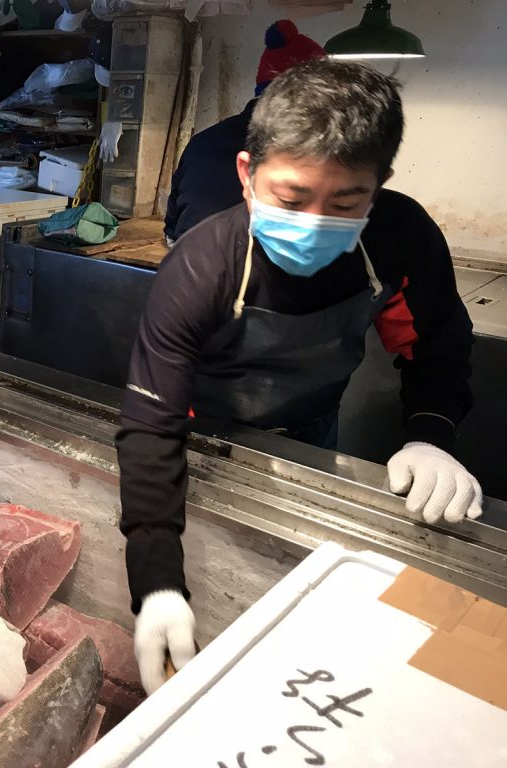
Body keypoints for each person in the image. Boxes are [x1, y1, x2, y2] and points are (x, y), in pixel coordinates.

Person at [120, 59, 482, 694]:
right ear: (247, 174)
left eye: (345, 202)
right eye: (291, 199)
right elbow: (152, 426)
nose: (315, 222)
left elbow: (438, 345)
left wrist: (431, 434)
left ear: (379, 187)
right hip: (197, 441)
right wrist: (156, 583)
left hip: (312, 432)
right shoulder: (203, 266)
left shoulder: (400, 238)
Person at [164, 20, 325, 245]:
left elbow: (172, 229)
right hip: (245, 270)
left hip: (185, 256)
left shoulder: (202, 141)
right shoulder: (308, 150)